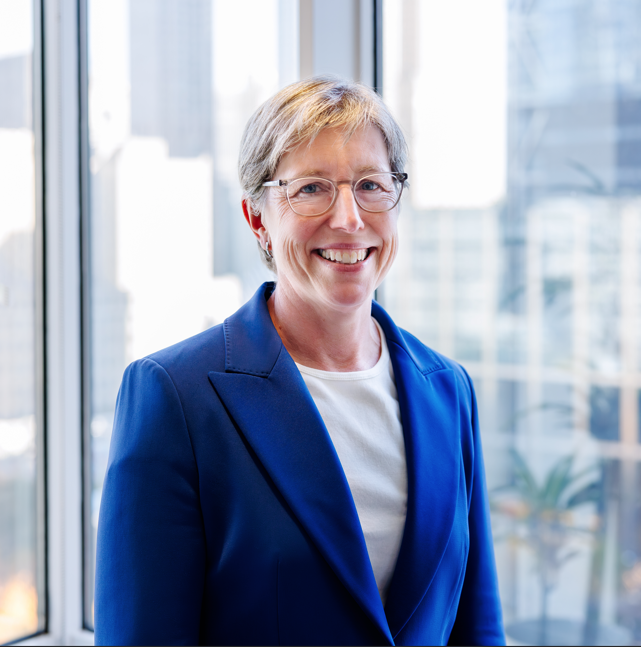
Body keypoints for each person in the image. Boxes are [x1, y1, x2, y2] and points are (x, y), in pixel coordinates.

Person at [94, 76, 504, 646]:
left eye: (369, 185)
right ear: (257, 216)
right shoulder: (175, 397)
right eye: (311, 188)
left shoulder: (448, 390)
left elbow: (476, 629)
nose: (349, 218)